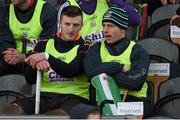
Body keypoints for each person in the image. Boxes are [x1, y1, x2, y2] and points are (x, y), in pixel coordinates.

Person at [0, 6, 100, 118]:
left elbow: (71, 70)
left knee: (55, 116)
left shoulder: (86, 46)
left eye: (75, 25)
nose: (71, 29)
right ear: (59, 24)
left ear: (81, 26)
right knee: (9, 110)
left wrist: (47, 57)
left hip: (75, 98)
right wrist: (36, 65)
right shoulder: (43, 45)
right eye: (67, 24)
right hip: (45, 97)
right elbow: (30, 79)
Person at [84, 4, 153, 118]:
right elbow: (90, 72)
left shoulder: (138, 50)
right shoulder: (96, 48)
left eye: (110, 26)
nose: (105, 30)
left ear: (122, 29)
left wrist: (105, 75)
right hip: (104, 100)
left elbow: (135, 82)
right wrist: (120, 68)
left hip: (133, 102)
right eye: (104, 25)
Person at [0, 0, 57, 79]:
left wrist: (24, 57)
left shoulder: (47, 11)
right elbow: (4, 41)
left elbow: (47, 45)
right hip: (12, 59)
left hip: (37, 60)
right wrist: (10, 55)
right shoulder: (5, 11)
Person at [57, 0, 140, 44]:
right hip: (80, 58)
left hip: (107, 57)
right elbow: (63, 42)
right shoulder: (68, 6)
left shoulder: (107, 2)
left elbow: (135, 20)